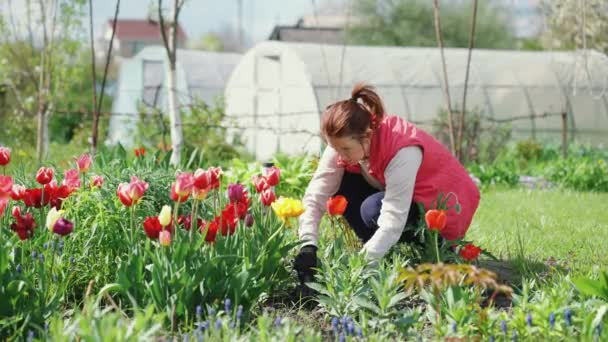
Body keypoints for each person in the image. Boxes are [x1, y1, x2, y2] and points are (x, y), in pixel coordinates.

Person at [293, 83, 480, 286]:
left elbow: (393, 219)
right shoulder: (344, 141)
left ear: (368, 136)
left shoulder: (402, 150)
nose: (340, 155)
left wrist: (360, 265)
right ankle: (382, 254)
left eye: (346, 149)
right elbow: (316, 194)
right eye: (335, 148)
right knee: (342, 185)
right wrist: (308, 245)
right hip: (407, 202)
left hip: (442, 211)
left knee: (373, 209)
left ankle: (431, 255)